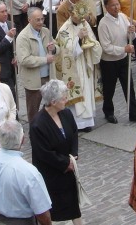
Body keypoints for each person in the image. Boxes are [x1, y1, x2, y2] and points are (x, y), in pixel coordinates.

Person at [29, 80, 82, 224]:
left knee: (72, 205)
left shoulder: (66, 114)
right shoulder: (38, 124)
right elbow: (44, 153)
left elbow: (74, 132)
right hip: (51, 175)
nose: (67, 100)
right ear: (53, 101)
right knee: (56, 210)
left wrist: (73, 154)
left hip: (67, 171)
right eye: (64, 98)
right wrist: (66, 163)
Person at [99, 0, 136, 124]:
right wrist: (123, 49)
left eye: (117, 4)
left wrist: (132, 31)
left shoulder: (123, 17)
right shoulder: (103, 24)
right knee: (109, 89)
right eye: (113, 5)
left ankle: (134, 113)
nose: (116, 7)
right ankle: (108, 111)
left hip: (123, 59)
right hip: (109, 62)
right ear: (106, 7)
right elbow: (106, 47)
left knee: (129, 86)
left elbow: (130, 36)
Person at [55, 1, 102, 132]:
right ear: (71, 14)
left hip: (85, 62)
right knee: (77, 93)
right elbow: (65, 49)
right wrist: (79, 39)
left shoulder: (85, 23)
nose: (80, 19)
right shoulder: (65, 28)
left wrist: (91, 43)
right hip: (74, 67)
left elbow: (93, 40)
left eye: (82, 16)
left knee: (87, 91)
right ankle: (77, 123)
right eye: (77, 16)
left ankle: (87, 122)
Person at [16, 8, 58, 125]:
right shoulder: (23, 37)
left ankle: (50, 127)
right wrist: (45, 60)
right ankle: (34, 131)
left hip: (48, 77)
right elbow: (24, 59)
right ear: (29, 20)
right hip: (34, 79)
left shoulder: (45, 31)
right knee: (33, 110)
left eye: (42, 19)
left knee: (51, 106)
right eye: (37, 20)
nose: (40, 22)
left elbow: (56, 47)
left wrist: (53, 49)